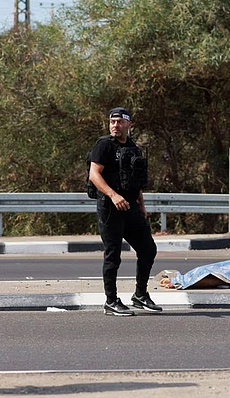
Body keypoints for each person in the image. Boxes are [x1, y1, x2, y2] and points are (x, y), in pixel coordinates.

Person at [88, 107, 161, 316]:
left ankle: (140, 295)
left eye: (120, 122)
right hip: (110, 207)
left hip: (130, 206)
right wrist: (113, 195)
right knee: (113, 256)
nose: (115, 125)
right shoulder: (104, 146)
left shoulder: (132, 147)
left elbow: (135, 180)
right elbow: (94, 174)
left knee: (148, 249)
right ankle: (111, 301)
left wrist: (142, 205)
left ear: (129, 125)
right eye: (112, 122)